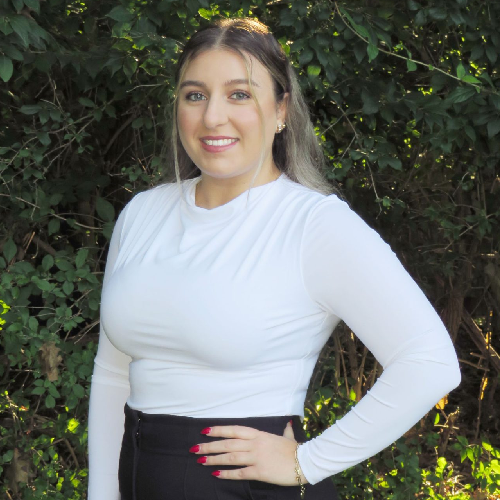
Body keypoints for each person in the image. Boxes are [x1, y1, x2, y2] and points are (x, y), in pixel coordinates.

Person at [87, 17, 462, 500]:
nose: (212, 117)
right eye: (195, 95)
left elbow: (430, 362)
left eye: (239, 94)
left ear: (281, 109)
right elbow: (113, 373)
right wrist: (102, 492)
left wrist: (308, 462)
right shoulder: (142, 214)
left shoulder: (314, 225)